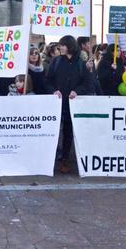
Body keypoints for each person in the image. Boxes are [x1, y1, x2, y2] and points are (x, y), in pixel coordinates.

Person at [47, 35, 94, 173]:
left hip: (71, 104)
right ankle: (51, 157)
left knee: (68, 133)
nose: (60, 48)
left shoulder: (80, 63)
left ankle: (65, 159)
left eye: (63, 45)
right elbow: (48, 81)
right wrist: (54, 91)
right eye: (60, 45)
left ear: (70, 46)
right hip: (56, 103)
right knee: (54, 131)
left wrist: (76, 91)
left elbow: (87, 84)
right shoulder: (55, 62)